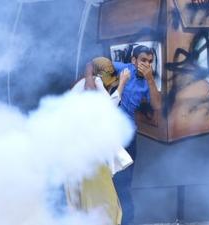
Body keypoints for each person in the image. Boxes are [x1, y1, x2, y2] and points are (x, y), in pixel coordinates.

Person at [66, 57, 133, 225]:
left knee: (81, 204)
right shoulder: (92, 82)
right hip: (88, 157)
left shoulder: (78, 86)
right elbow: (104, 107)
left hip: (76, 155)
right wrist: (121, 84)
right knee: (104, 203)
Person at [112, 45, 162, 225]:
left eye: (150, 62)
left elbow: (157, 105)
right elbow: (92, 65)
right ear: (133, 61)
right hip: (108, 134)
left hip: (128, 137)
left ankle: (127, 222)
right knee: (108, 182)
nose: (147, 65)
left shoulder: (149, 81)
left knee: (124, 184)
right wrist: (88, 80)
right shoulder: (122, 69)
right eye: (143, 61)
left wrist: (150, 79)